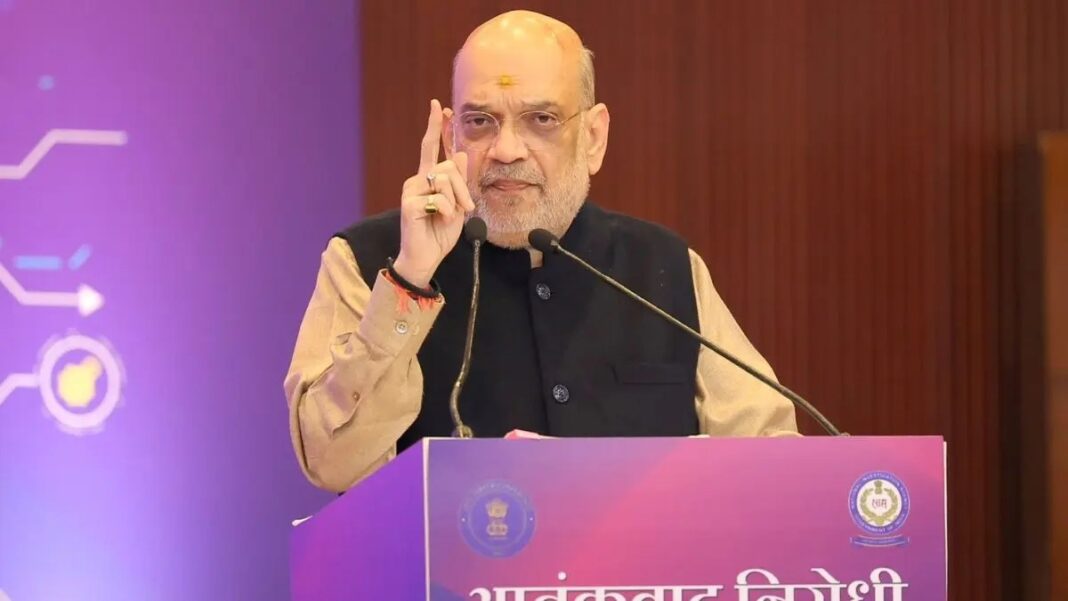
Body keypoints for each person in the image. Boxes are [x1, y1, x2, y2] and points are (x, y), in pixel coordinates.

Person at [285, 10, 798, 493]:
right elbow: (333, 463)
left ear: (593, 138)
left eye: (541, 119)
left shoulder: (663, 266)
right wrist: (409, 283)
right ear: (449, 138)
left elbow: (773, 462)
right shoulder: (368, 260)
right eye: (480, 121)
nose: (506, 150)